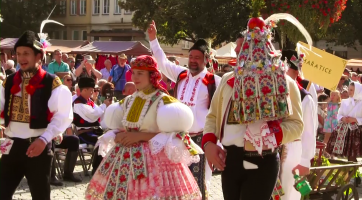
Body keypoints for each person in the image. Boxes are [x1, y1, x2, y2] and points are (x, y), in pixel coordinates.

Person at [201, 16, 304, 200]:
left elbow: (296, 125)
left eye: (249, 48)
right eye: (240, 51)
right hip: (230, 160)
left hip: (263, 160)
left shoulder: (285, 82)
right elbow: (213, 116)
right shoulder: (227, 80)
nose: (243, 55)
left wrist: (272, 134)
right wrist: (209, 143)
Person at [85, 55, 202, 200]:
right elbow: (124, 126)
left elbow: (172, 135)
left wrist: (140, 136)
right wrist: (117, 134)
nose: (135, 77)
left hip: (153, 160)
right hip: (123, 158)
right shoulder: (129, 100)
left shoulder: (163, 100)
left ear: (152, 75)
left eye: (140, 73)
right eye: (133, 72)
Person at [148, 20, 221, 199]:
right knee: (176, 184)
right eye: (191, 57)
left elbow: (221, 114)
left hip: (201, 141)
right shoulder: (181, 74)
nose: (193, 61)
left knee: (200, 185)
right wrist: (153, 40)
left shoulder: (214, 81)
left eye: (197, 58)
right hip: (178, 139)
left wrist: (217, 145)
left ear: (206, 59)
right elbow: (162, 62)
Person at [0, 30, 73, 200]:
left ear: (39, 56)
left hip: (38, 146)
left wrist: (44, 139)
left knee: (40, 196)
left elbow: (62, 116)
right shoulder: (9, 81)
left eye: (26, 53)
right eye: (18, 54)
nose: (22, 58)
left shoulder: (52, 83)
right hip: (11, 146)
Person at [281, 49, 317, 200]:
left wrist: (304, 161)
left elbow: (310, 131)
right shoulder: (274, 92)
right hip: (274, 149)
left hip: (294, 149)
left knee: (289, 194)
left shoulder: (305, 98)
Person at [73, 77, 111, 174]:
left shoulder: (89, 101)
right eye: (91, 90)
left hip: (93, 131)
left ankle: (103, 166)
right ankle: (96, 168)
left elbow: (99, 113)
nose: (92, 92)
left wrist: (107, 106)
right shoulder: (78, 103)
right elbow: (93, 115)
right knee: (101, 140)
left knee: (109, 137)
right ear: (84, 90)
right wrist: (104, 105)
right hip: (84, 134)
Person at [326, 82, 362, 162]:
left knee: (353, 155)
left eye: (352, 90)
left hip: (356, 132)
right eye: (349, 89)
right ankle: (348, 172)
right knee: (347, 155)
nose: (349, 92)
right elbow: (339, 114)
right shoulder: (344, 102)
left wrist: (354, 119)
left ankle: (353, 172)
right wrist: (343, 118)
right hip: (343, 129)